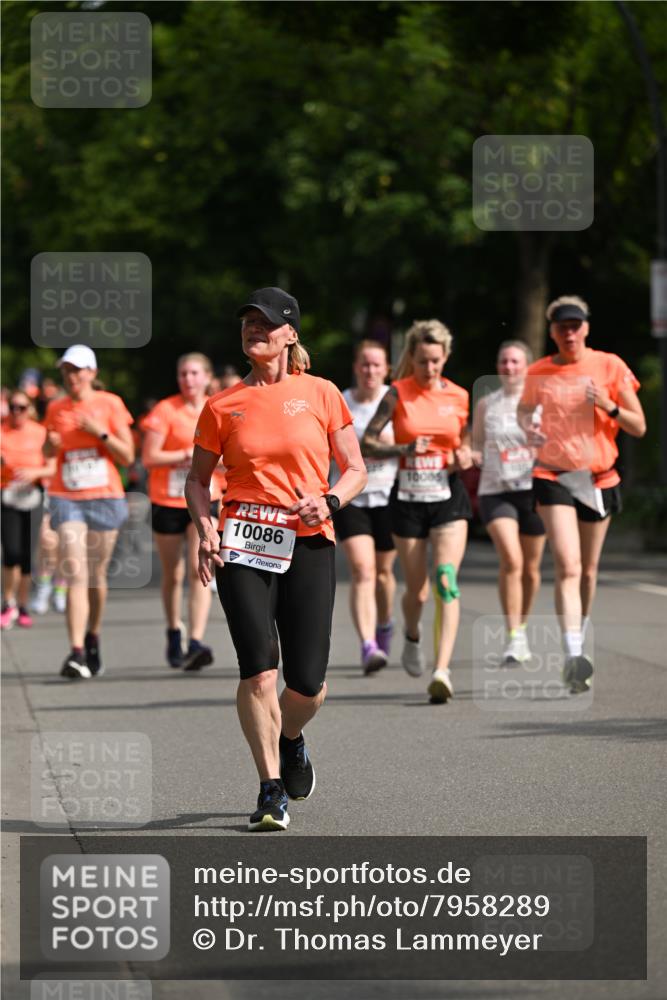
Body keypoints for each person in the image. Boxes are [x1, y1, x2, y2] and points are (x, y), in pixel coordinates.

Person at [186, 287, 366, 831]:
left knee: (307, 684)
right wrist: (205, 524)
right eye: (247, 324)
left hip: (309, 538)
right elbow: (197, 481)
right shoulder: (222, 405)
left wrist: (331, 499)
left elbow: (356, 468)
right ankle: (269, 790)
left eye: (265, 324)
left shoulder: (322, 393)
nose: (254, 331)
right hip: (243, 541)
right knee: (259, 670)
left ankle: (291, 738)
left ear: (290, 334)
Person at [518, 296, 646, 692]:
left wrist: (608, 406)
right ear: (552, 330)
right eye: (561, 326)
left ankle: (580, 630)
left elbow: (638, 425)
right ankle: (573, 652)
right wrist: (530, 431)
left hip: (598, 478)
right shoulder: (538, 371)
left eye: (575, 325)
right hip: (552, 475)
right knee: (569, 566)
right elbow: (524, 414)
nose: (569, 332)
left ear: (586, 328)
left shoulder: (610, 366)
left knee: (588, 571)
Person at [362, 319, 472, 704]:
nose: (430, 369)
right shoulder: (397, 394)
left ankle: (442, 670)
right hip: (408, 498)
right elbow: (368, 443)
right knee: (419, 591)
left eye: (437, 361)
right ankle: (411, 633)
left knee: (446, 578)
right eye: (423, 361)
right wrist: (405, 450)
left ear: (446, 357)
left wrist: (465, 455)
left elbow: (467, 442)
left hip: (447, 497)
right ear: (412, 357)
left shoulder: (459, 396)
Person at [44, 345, 135, 679]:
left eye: (78, 370)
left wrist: (100, 432)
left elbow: (127, 456)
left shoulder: (110, 404)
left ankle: (92, 636)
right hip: (66, 496)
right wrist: (50, 446)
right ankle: (76, 652)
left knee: (95, 577)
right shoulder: (55, 407)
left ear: (92, 373)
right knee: (74, 572)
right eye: (67, 370)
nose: (72, 376)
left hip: (104, 498)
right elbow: (47, 450)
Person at [141, 353, 226, 670]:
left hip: (207, 497)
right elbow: (149, 457)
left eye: (193, 373)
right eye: (182, 374)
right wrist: (185, 456)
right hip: (168, 499)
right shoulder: (166, 410)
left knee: (197, 567)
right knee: (173, 574)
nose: (187, 379)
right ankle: (175, 630)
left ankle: (196, 640)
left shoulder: (218, 407)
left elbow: (229, 455)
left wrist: (210, 463)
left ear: (206, 377)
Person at [471, 341, 546, 663]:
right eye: (504, 362)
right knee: (512, 560)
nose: (509, 367)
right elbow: (475, 445)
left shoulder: (541, 404)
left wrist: (543, 444)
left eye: (515, 362)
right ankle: (513, 634)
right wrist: (472, 455)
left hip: (533, 490)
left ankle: (522, 629)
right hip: (495, 489)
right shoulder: (487, 404)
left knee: (530, 569)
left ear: (527, 366)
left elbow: (559, 446)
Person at [330, 340, 398, 673]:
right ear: (356, 367)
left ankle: (385, 624)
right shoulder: (341, 401)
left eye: (376, 365)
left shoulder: (395, 400)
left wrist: (392, 444)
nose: (370, 371)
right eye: (364, 364)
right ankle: (368, 644)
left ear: (386, 369)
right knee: (363, 570)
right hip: (351, 496)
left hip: (389, 495)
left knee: (384, 574)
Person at [1, 391, 54, 629]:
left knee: (26, 556)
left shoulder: (40, 432)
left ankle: (22, 605)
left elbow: (52, 467)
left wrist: (34, 473)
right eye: (13, 407)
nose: (16, 412)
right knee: (10, 552)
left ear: (29, 409)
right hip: (7, 494)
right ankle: (8, 602)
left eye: (21, 407)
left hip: (32, 496)